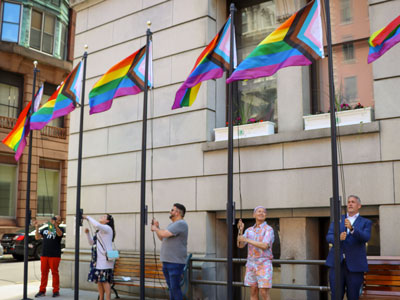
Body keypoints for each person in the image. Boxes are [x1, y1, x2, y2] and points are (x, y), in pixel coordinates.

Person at [326, 195, 372, 300]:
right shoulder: (338, 220)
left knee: (353, 296)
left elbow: (366, 237)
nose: (350, 204)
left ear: (359, 206)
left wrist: (352, 229)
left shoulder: (366, 222)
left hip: (355, 267)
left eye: (353, 202)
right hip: (337, 264)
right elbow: (328, 236)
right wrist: (338, 238)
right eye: (348, 202)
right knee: (336, 296)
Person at [151, 203, 188, 300]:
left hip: (175, 262)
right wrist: (157, 228)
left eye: (172, 210)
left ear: (177, 212)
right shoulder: (172, 225)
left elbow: (164, 234)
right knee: (171, 288)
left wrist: (155, 229)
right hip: (168, 262)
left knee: (175, 288)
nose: (170, 212)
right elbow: (162, 238)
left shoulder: (181, 223)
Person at [237, 206, 274, 300]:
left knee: (264, 292)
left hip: (264, 264)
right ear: (254, 215)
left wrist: (247, 239)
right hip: (251, 264)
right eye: (259, 211)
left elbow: (265, 245)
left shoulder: (268, 229)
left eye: (264, 212)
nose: (261, 213)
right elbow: (240, 245)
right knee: (253, 290)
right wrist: (240, 230)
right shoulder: (249, 230)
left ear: (266, 215)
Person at [84, 214, 116, 300]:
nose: (101, 217)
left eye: (104, 217)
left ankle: (108, 298)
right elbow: (92, 243)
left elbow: (97, 225)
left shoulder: (108, 229)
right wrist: (87, 234)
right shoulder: (99, 231)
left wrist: (88, 217)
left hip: (105, 260)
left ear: (108, 221)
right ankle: (101, 298)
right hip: (98, 260)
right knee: (99, 281)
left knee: (105, 281)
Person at [34, 215, 64, 298]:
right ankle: (42, 290)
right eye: (53, 218)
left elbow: (59, 234)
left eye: (56, 218)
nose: (53, 219)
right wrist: (37, 228)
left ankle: (56, 291)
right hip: (44, 254)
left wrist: (55, 226)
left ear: (59, 221)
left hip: (54, 255)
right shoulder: (46, 229)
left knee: (54, 273)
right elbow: (37, 237)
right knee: (44, 273)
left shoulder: (60, 228)